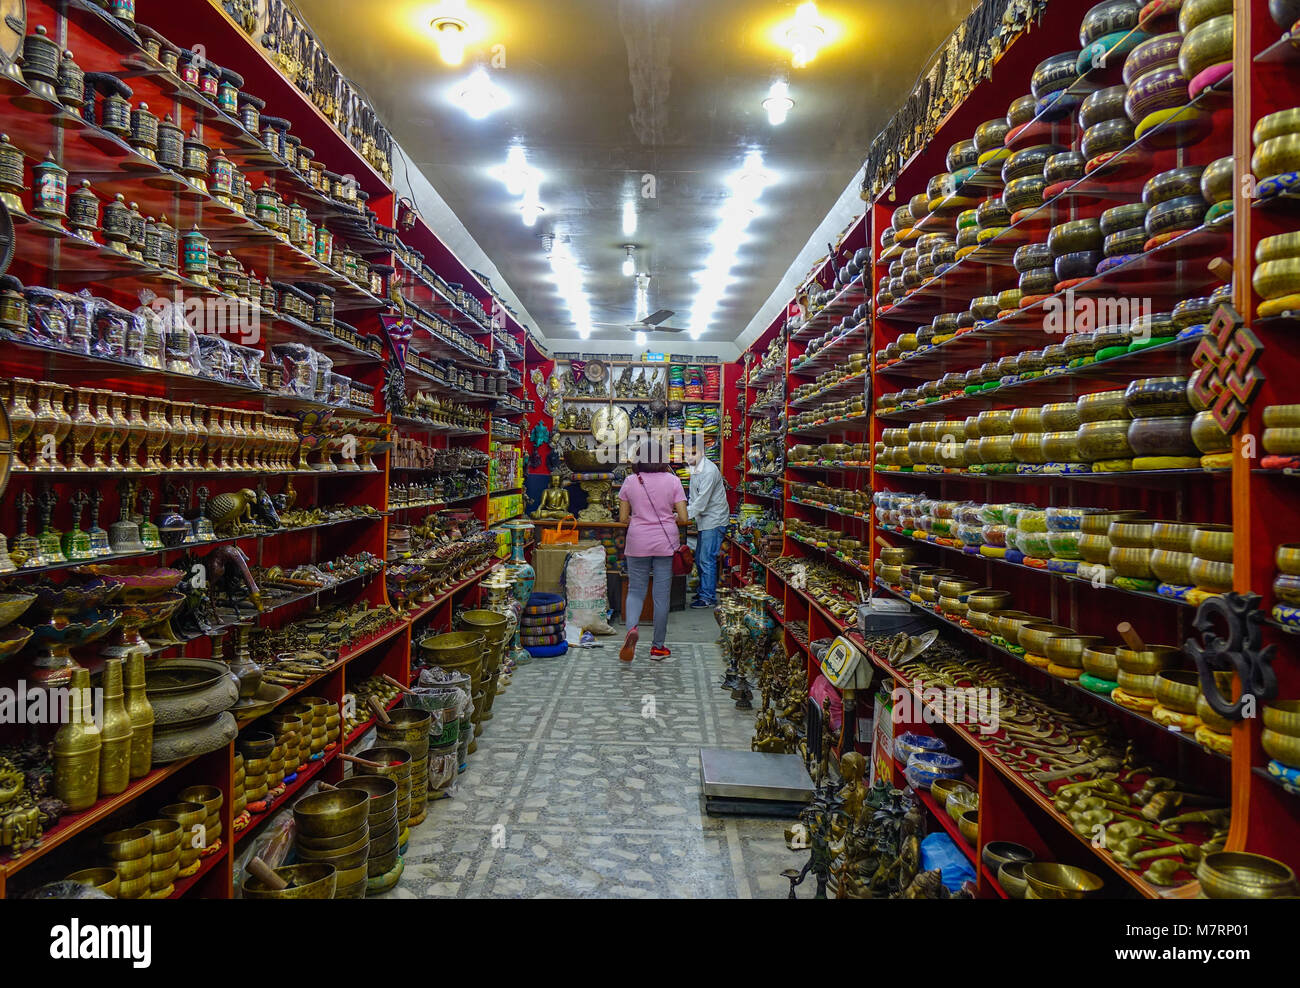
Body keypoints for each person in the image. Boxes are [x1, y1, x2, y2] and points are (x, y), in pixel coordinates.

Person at [617, 439, 687, 662]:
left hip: (637, 541)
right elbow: (684, 517)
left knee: (636, 590)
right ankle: (658, 647)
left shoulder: (630, 481)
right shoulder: (673, 481)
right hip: (665, 543)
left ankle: (631, 630)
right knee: (661, 596)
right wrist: (672, 517)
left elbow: (622, 518)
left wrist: (639, 518)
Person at [683, 443, 730, 608]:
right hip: (705, 520)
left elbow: (701, 502)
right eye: (687, 452)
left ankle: (708, 597)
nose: (689, 456)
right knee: (700, 558)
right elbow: (693, 497)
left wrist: (684, 515)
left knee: (706, 559)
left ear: (702, 452)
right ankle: (705, 591)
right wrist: (686, 512)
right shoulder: (694, 468)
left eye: (693, 453)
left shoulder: (709, 471)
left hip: (714, 520)